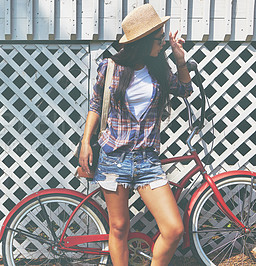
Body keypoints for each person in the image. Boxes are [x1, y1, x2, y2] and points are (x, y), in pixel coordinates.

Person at [78, 4, 193, 266]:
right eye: (159, 39)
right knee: (119, 228)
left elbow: (185, 90)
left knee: (173, 229)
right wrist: (85, 142)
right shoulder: (110, 67)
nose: (163, 43)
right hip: (113, 160)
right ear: (141, 42)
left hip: (147, 163)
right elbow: (95, 106)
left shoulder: (159, 70)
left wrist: (179, 59)